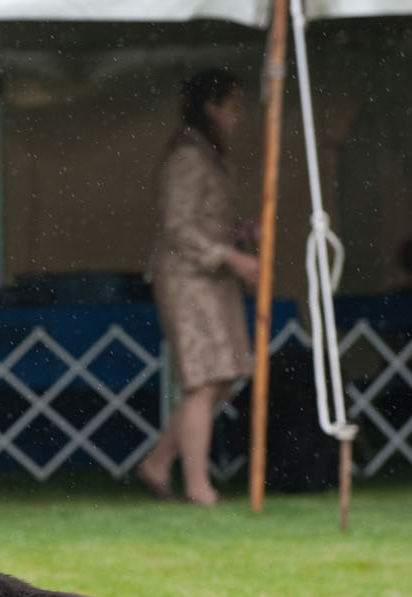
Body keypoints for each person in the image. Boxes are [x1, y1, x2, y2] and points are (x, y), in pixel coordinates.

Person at [135, 68, 261, 507]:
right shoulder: (188, 156)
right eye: (234, 107)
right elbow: (178, 226)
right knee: (203, 382)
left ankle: (157, 463)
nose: (240, 117)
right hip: (187, 280)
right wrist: (231, 256)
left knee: (223, 379)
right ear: (211, 107)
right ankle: (197, 485)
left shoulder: (209, 154)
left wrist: (238, 234)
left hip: (211, 280)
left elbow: (202, 220)